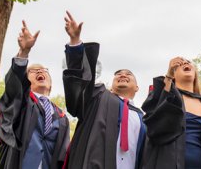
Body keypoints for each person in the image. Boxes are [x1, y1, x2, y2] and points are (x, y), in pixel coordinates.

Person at [62, 11, 146, 169]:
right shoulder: (98, 97)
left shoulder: (143, 118)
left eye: (129, 74)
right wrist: (75, 44)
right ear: (111, 85)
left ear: (137, 87)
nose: (122, 74)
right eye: (118, 74)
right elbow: (79, 85)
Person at [0, 21, 70, 169]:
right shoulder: (22, 104)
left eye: (44, 70)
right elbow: (15, 89)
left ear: (51, 84)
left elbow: (64, 155)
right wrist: (23, 53)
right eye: (33, 71)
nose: (39, 71)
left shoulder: (62, 118)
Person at [141, 56, 201, 169]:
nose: (186, 63)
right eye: (180, 64)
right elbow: (154, 117)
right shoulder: (169, 97)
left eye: (188, 62)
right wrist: (168, 76)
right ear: (174, 75)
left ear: (195, 74)